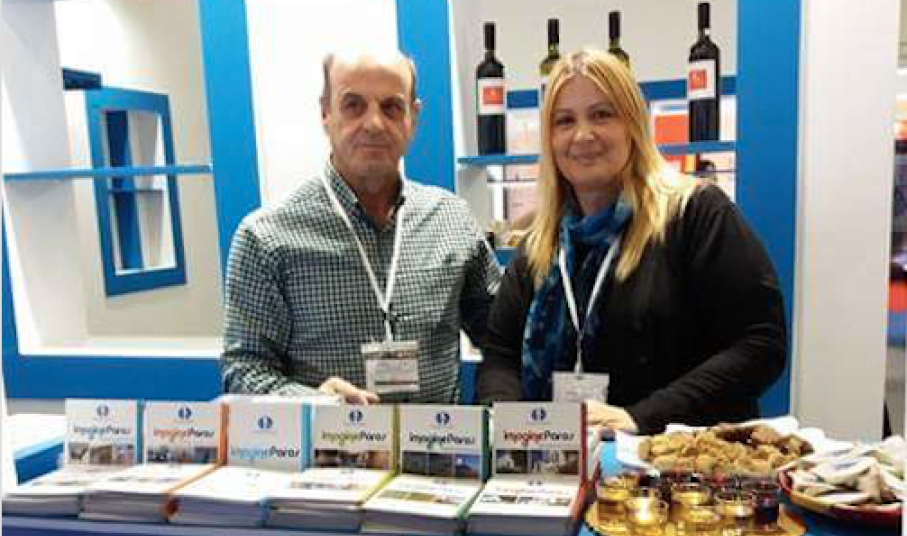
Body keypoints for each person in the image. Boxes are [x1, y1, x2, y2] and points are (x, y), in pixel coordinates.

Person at [476, 49, 786, 435]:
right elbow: (500, 355)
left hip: (675, 462)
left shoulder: (695, 214)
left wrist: (640, 418)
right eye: (564, 120)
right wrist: (511, 426)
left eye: (602, 114)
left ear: (633, 124)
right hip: (560, 460)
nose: (582, 135)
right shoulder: (539, 247)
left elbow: (760, 344)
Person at [221, 48, 501, 404]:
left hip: (439, 439)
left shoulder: (452, 219)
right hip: (329, 441)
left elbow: (503, 340)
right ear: (325, 113)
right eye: (353, 105)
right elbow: (243, 371)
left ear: (413, 117)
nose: (373, 124)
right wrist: (313, 402)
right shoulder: (265, 237)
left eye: (391, 107)